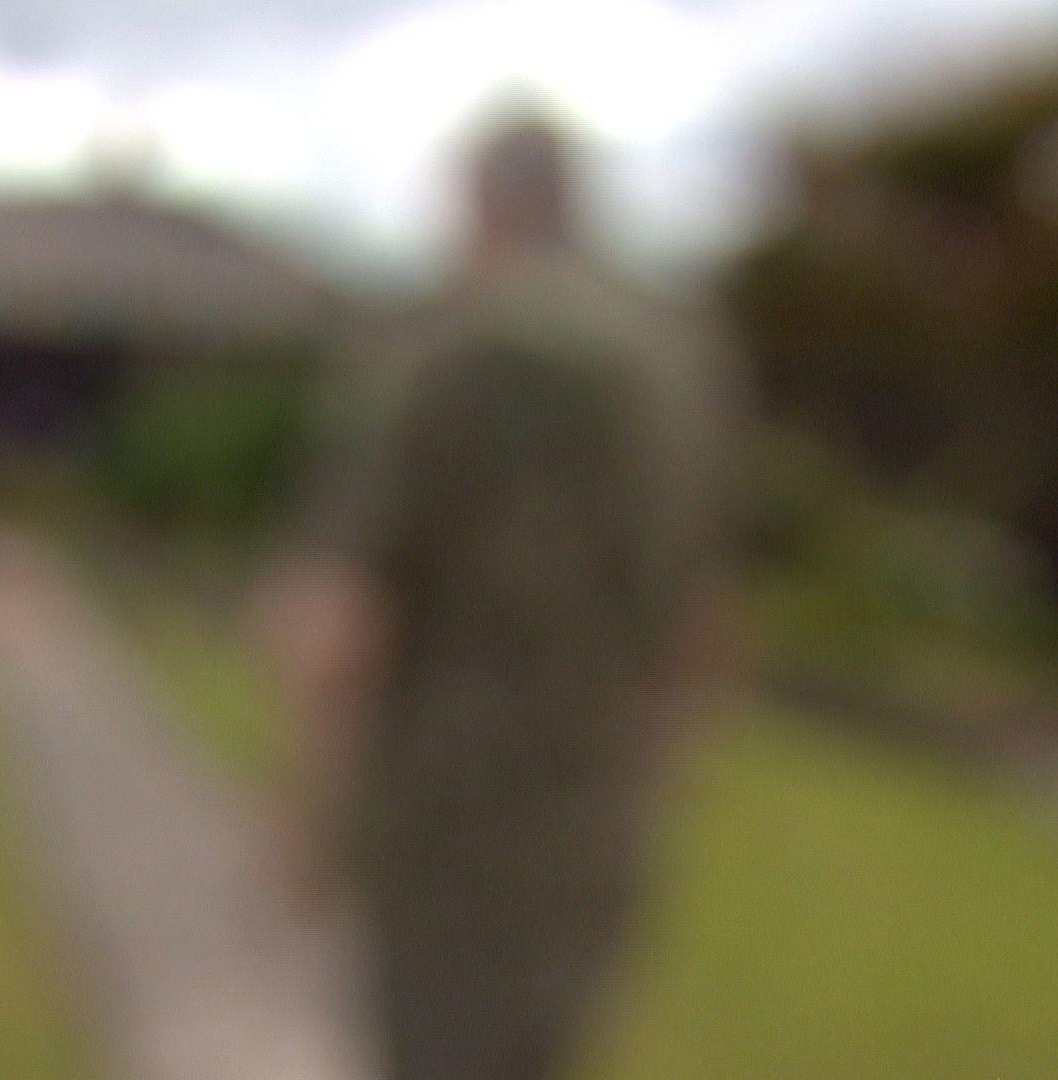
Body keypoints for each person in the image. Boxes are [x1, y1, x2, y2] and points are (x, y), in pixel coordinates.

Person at [262, 105, 747, 1079]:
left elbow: (346, 616)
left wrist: (310, 817)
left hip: (450, 807)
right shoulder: (683, 363)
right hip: (594, 811)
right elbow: (701, 621)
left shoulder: (450, 350)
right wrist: (646, 792)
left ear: (478, 208)